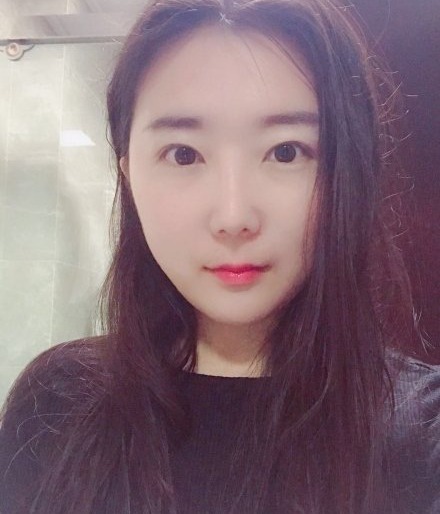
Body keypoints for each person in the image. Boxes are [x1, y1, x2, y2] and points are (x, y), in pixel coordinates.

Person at [0, 0, 439, 513]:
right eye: (184, 154)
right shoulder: (56, 400)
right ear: (129, 175)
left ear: (348, 174)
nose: (233, 216)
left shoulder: (423, 431)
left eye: (286, 151)